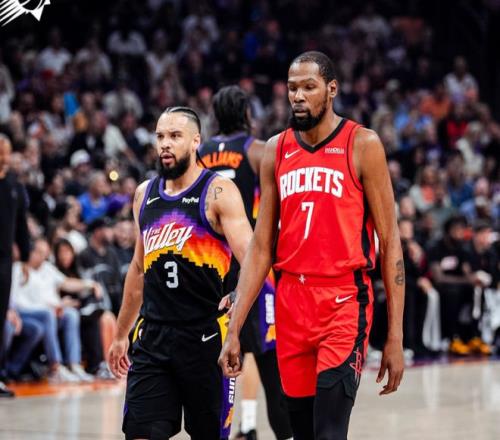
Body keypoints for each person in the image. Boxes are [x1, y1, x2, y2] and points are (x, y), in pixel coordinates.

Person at [219, 51, 405, 440]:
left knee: (329, 432)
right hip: (291, 304)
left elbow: (390, 243)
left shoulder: (363, 144)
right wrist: (234, 328)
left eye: (309, 87)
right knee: (301, 432)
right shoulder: (276, 150)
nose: (298, 96)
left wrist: (395, 336)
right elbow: (261, 247)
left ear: (331, 89)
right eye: (292, 88)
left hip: (343, 302)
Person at [108, 106, 254, 440]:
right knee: (141, 433)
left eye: (175, 136)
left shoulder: (218, 192)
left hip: (205, 338)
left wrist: (237, 298)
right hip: (153, 337)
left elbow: (253, 259)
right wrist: (120, 334)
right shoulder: (144, 194)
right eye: (160, 136)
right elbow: (138, 269)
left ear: (195, 141)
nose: (165, 144)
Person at [200, 85, 292, 440]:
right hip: (251, 262)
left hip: (213, 263)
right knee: (269, 362)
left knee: (220, 358)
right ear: (247, 114)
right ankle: (278, 432)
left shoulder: (200, 154)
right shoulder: (256, 150)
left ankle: (241, 427)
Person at [0, 134, 30, 397]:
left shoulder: (14, 185)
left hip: (4, 261)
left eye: (5, 152)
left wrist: (26, 258)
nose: (3, 156)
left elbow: (21, 225)